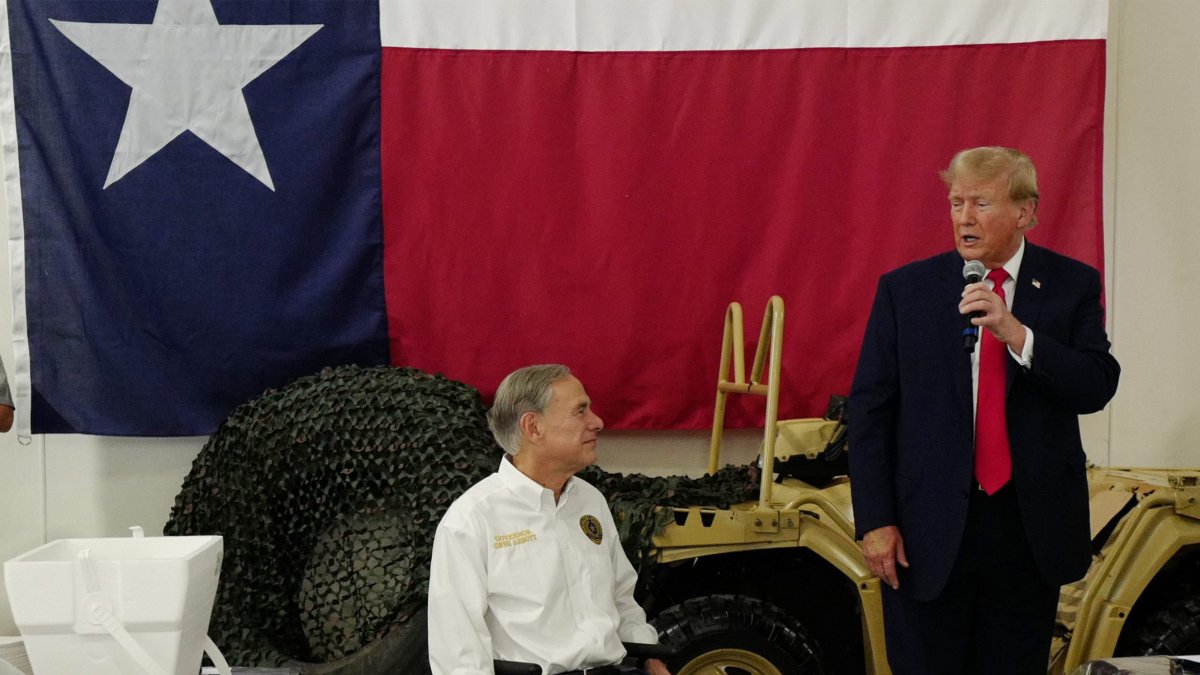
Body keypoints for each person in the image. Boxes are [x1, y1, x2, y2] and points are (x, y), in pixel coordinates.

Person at [848, 147, 1120, 674]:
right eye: (956, 202)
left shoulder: (1071, 285)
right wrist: (876, 520)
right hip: (926, 530)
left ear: (1024, 212)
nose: (964, 217)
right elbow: (870, 411)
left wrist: (1017, 334)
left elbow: (1095, 386)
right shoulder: (906, 291)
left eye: (981, 203)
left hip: (1027, 529)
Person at [428, 364, 671, 675]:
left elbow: (621, 600)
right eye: (580, 411)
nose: (597, 422)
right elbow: (458, 654)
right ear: (533, 427)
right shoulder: (472, 520)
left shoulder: (590, 501)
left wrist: (651, 658)